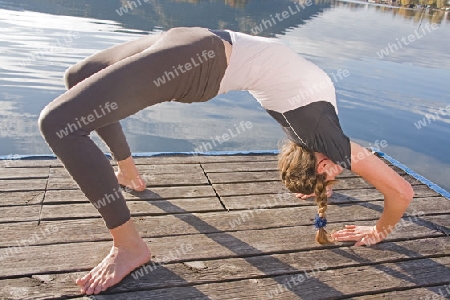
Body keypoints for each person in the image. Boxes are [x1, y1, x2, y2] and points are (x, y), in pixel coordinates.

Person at [38, 27, 414, 295]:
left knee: (59, 123)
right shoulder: (324, 132)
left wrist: (375, 229)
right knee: (79, 76)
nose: (341, 170)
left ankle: (129, 246)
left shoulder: (319, 131)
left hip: (198, 58)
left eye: (333, 176)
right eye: (336, 174)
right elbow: (395, 190)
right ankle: (128, 171)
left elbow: (401, 192)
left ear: (316, 164)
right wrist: (342, 204)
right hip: (195, 41)